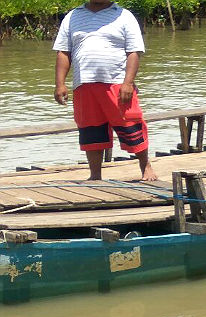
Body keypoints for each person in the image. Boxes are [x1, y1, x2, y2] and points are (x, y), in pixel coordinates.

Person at [53, 0, 156, 181]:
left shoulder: (125, 16)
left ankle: (145, 166)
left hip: (116, 83)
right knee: (90, 129)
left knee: (130, 124)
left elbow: (134, 52)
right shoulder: (72, 16)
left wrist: (128, 83)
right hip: (84, 84)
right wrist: (60, 84)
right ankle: (95, 175)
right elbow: (64, 52)